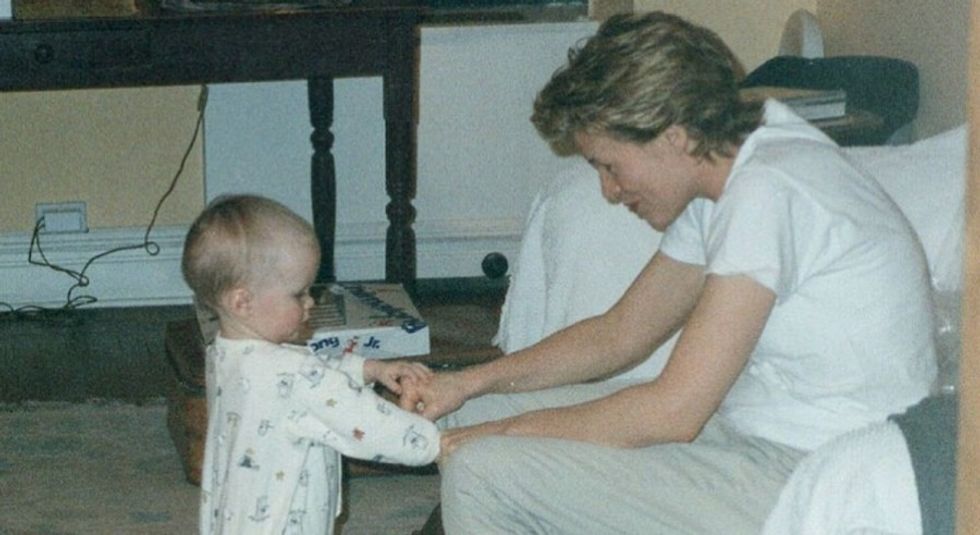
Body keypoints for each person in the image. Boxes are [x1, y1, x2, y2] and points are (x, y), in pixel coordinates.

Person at [401, 11, 937, 534]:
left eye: (611, 166)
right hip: (749, 432)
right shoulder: (729, 182)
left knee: (481, 472)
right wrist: (464, 385)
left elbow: (672, 412)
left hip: (823, 474)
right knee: (466, 417)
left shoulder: (768, 191)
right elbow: (620, 335)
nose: (610, 192)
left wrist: (496, 437)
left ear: (673, 136)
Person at [182, 194, 440, 535]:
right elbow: (363, 421)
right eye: (298, 293)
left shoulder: (227, 352)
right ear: (243, 301)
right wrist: (435, 442)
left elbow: (312, 369)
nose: (310, 303)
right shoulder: (293, 375)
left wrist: (369, 369)